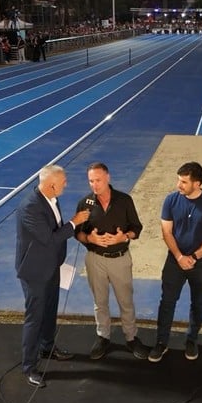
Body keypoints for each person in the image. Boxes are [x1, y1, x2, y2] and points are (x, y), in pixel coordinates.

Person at [15, 164, 90, 388]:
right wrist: (75, 222)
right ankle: (29, 366)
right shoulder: (30, 206)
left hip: (51, 267)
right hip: (35, 272)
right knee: (34, 317)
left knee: (50, 309)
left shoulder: (51, 199)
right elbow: (49, 238)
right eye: (64, 181)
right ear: (52, 184)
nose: (66, 184)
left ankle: (47, 347)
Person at [149, 162, 202, 362]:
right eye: (178, 180)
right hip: (175, 260)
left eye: (183, 182)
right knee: (167, 302)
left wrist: (195, 257)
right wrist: (180, 257)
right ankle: (161, 342)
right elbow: (166, 232)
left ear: (197, 184)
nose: (178, 185)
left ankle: (192, 339)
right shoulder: (171, 200)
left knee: (198, 302)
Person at [75, 163, 150, 360]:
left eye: (98, 180)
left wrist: (123, 237)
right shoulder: (85, 204)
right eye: (91, 181)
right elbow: (78, 232)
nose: (94, 185)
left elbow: (137, 228)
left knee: (126, 301)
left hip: (120, 260)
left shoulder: (124, 200)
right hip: (95, 260)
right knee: (100, 303)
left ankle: (131, 337)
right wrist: (89, 239)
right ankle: (103, 337)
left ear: (108, 178)